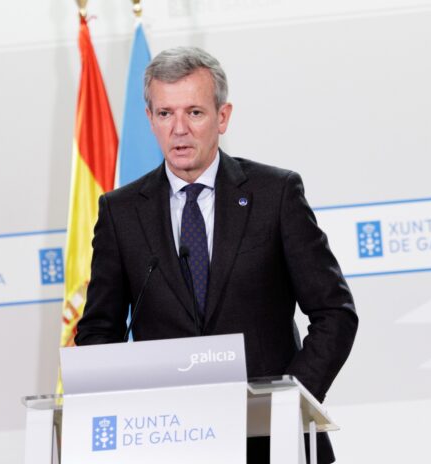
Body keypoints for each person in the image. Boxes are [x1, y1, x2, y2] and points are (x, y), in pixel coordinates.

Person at [75, 46, 358, 463]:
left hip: (273, 441)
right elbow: (99, 331)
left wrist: (289, 400)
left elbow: (335, 312)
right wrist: (127, 412)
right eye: (165, 113)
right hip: (170, 443)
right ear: (150, 119)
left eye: (194, 112)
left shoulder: (275, 194)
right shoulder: (121, 213)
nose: (179, 129)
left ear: (222, 117)